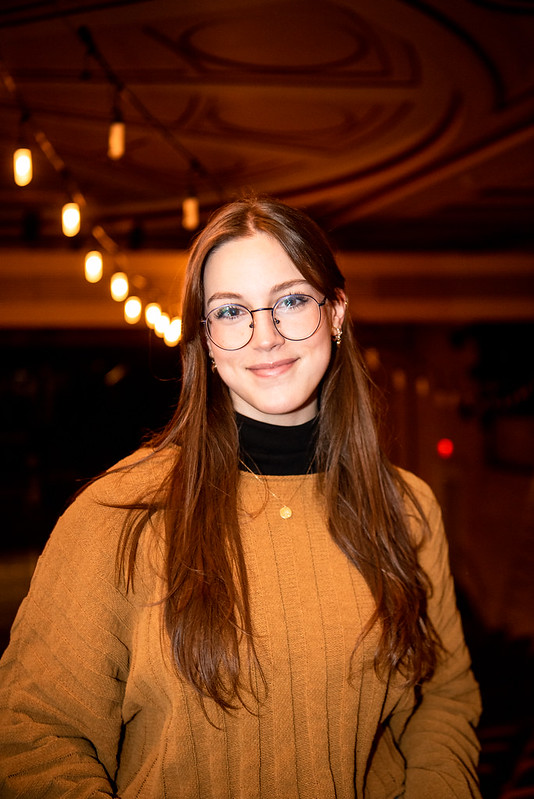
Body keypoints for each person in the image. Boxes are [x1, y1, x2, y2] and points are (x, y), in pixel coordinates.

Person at [0, 195, 482, 798]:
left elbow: (444, 697)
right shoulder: (116, 515)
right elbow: (35, 736)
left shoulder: (408, 511)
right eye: (231, 312)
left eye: (290, 300)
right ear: (204, 338)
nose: (266, 336)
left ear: (335, 312)